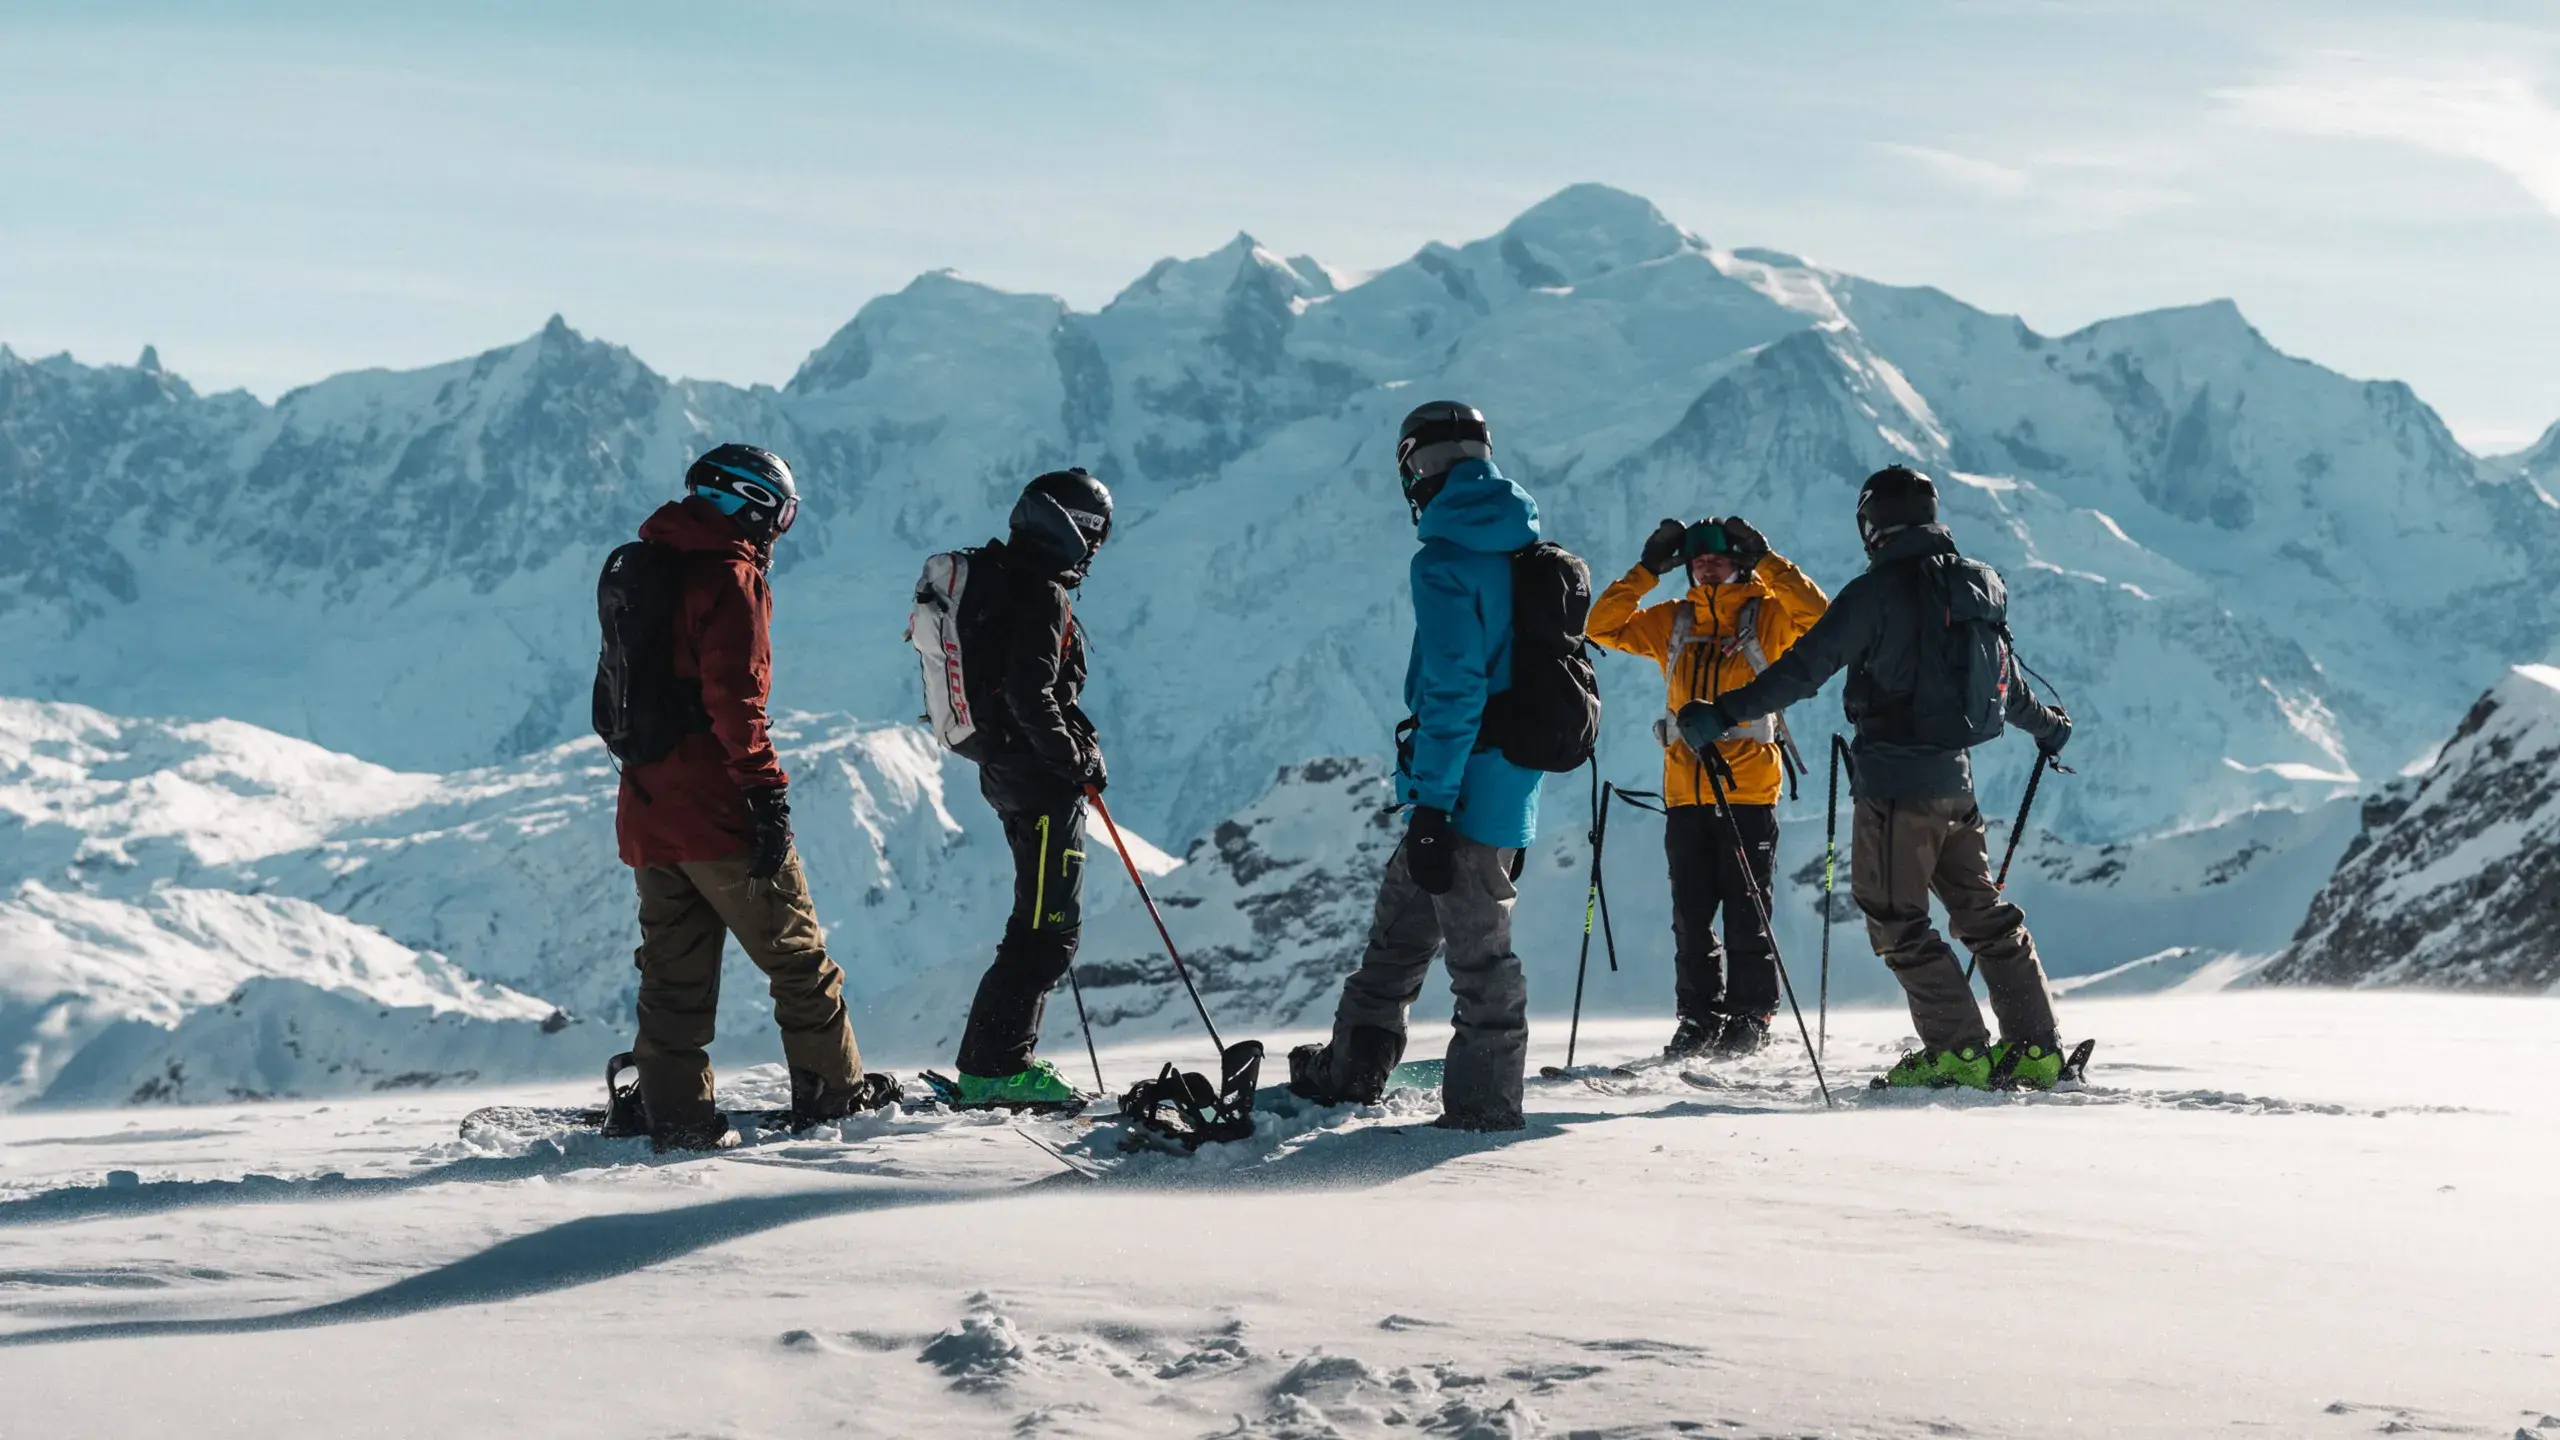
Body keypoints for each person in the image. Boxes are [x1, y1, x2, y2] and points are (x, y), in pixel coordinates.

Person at [1678, 465, 2075, 1089]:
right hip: (1958, 788)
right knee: (1983, 913)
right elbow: (2005, 685)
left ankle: (1957, 1053)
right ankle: (2036, 1049)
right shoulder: (1974, 589)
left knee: (1896, 918)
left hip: (1896, 787)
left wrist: (1722, 712)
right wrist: (2048, 725)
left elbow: (1802, 671)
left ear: (1871, 526)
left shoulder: (1876, 593)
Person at [614, 443, 886, 1151]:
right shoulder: (730, 578)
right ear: (753, 503)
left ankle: (676, 1116)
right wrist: (766, 794)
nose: (780, 531)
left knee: (673, 979)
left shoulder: (649, 567)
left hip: (648, 809)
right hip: (718, 807)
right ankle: (836, 1098)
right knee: (799, 962)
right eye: (783, 514)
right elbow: (737, 703)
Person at [1288, 401, 1546, 1131]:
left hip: (1461, 789)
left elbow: (1456, 690)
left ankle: (1484, 1106)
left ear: (1415, 468)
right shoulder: (1523, 548)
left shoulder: (1444, 561)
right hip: (1507, 786)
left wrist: (1432, 803)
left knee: (1479, 958)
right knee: (1399, 933)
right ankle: (1352, 1067)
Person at [1588, 513, 1828, 1060]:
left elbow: (1822, 619)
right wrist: (1647, 570)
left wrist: (1770, 562)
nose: (1706, 568)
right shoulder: (1674, 619)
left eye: (1717, 558)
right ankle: (1698, 1017)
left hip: (1746, 787)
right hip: (1684, 791)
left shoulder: (1769, 613)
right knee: (1690, 915)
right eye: (1696, 562)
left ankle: (1750, 1015)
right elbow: (1600, 627)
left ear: (1739, 562)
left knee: (1747, 909)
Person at [950, 468, 1115, 1108]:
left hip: (1007, 771)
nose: (1096, 549)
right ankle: (995, 1068)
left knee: (1037, 921)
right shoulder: (1041, 594)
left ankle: (994, 1062)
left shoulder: (1003, 581)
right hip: (1039, 781)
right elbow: (1031, 694)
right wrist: (1073, 760)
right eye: (1095, 533)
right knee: (1049, 931)